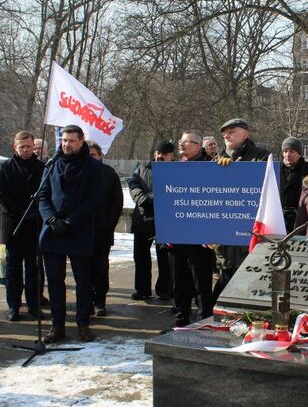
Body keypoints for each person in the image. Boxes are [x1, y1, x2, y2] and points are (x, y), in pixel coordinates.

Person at [39, 124, 103, 343]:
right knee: (55, 282)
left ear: (81, 141)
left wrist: (70, 221)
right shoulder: (52, 164)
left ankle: (83, 323)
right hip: (53, 232)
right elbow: (42, 196)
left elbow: (94, 200)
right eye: (63, 140)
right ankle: (57, 326)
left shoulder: (93, 167)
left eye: (71, 140)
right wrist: (52, 219)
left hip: (79, 230)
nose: (66, 144)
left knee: (83, 282)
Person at [213, 118, 271, 296]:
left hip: (250, 233)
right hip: (225, 235)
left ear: (245, 134)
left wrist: (235, 169)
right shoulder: (216, 161)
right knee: (226, 279)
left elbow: (260, 186)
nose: (226, 135)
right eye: (224, 132)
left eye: (232, 131)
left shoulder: (261, 156)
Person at [0, 131, 46, 321]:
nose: (25, 150)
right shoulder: (5, 167)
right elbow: (0, 194)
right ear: (15, 147)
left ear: (34, 147)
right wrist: (20, 211)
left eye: (28, 147)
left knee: (34, 269)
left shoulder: (42, 167)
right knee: (13, 270)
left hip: (35, 225)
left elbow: (46, 193)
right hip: (13, 225)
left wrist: (35, 211)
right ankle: (13, 306)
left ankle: (34, 305)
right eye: (21, 147)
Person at [171, 130, 216, 327]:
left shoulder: (211, 167)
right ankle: (181, 320)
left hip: (201, 237)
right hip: (177, 235)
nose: (182, 144)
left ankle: (203, 321)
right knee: (179, 283)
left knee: (201, 283)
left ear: (199, 146)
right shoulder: (174, 168)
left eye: (188, 142)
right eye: (181, 141)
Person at [129, 140, 174, 300]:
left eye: (164, 154)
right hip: (142, 219)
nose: (160, 156)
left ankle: (165, 290)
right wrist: (145, 200)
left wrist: (153, 199)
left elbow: (171, 191)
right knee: (140, 257)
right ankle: (142, 289)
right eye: (158, 153)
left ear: (171, 156)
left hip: (164, 221)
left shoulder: (176, 170)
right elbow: (133, 186)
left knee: (165, 259)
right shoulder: (141, 168)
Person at [86, 140, 123, 317]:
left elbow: (117, 203)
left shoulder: (109, 174)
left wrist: (109, 224)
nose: (90, 158)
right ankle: (86, 301)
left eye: (93, 155)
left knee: (100, 269)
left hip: (102, 231)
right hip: (80, 231)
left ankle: (100, 301)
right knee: (84, 270)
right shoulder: (77, 173)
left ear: (100, 156)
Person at [279, 137, 308, 233]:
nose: (287, 155)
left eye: (291, 151)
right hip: (280, 217)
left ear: (299, 154)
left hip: (301, 217)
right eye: (285, 151)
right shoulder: (276, 169)